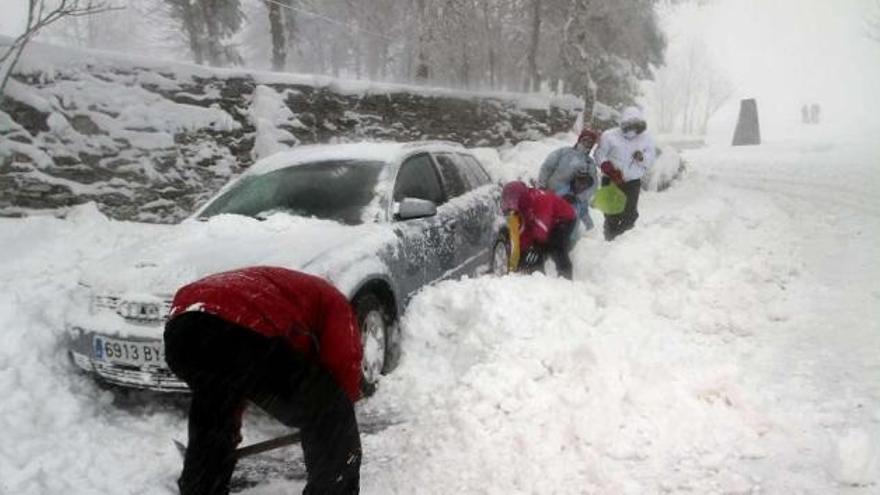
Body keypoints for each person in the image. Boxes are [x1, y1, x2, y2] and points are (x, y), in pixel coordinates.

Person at [163, 266, 363, 495]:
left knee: (216, 409)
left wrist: (226, 435)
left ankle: (201, 487)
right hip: (236, 326)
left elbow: (237, 374)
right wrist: (338, 420)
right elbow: (344, 361)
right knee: (331, 410)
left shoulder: (285, 290)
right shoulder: (335, 301)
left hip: (182, 332)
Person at [594, 106, 656, 241]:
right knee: (611, 214)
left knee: (630, 215)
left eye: (636, 126)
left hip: (632, 182)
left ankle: (623, 242)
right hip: (611, 180)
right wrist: (609, 169)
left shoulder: (646, 139)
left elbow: (650, 160)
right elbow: (599, 154)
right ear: (623, 123)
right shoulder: (609, 136)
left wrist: (641, 158)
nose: (632, 130)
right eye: (629, 126)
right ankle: (609, 240)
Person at [500, 180, 577, 279]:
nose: (510, 206)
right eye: (508, 202)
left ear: (520, 198)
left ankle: (565, 275)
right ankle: (535, 274)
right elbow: (525, 232)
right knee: (533, 248)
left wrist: (535, 248)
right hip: (545, 219)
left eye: (512, 202)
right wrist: (521, 256)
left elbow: (541, 232)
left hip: (564, 219)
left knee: (555, 245)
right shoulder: (523, 205)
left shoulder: (541, 200)